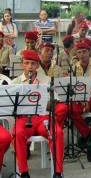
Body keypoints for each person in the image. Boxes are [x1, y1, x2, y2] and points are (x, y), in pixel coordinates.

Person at [12, 50, 64, 178]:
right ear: (21, 64)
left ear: (37, 65)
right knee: (17, 134)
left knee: (57, 133)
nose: (30, 67)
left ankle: (58, 172)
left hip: (43, 117)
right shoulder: (15, 83)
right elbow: (12, 108)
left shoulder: (47, 80)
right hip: (24, 119)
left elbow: (54, 103)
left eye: (33, 64)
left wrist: (40, 102)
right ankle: (24, 172)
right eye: (27, 63)